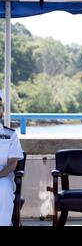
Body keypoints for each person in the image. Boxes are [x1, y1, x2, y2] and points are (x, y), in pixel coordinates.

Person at [0, 91, 24, 226]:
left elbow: (12, 164)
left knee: (3, 190)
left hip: (3, 176)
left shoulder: (10, 135)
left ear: (2, 112)